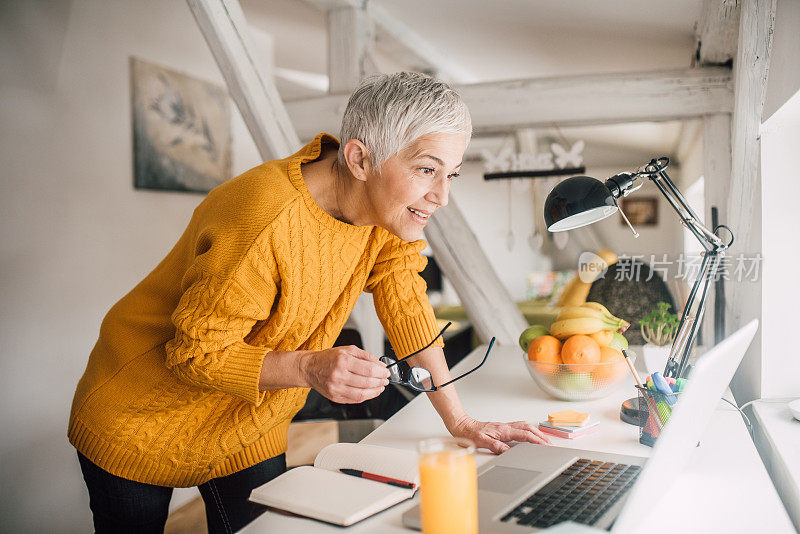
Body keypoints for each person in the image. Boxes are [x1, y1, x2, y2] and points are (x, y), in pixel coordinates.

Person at [68, 72, 551, 534]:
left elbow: (406, 303)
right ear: (360, 160)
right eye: (427, 169)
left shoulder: (385, 216)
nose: (442, 195)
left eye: (452, 174)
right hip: (142, 413)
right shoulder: (265, 219)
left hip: (247, 420)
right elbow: (196, 353)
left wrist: (460, 421)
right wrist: (306, 369)